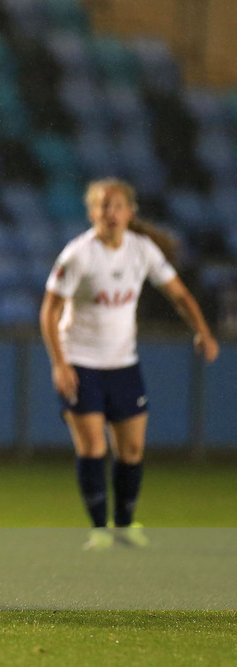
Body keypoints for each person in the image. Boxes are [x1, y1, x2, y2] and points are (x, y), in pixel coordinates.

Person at [40, 178, 219, 550]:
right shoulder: (78, 255)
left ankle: (124, 526)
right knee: (93, 448)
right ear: (92, 213)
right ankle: (99, 530)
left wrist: (202, 330)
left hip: (123, 365)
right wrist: (59, 363)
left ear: (130, 212)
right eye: (103, 206)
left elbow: (180, 294)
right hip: (81, 363)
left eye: (118, 205)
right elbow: (50, 311)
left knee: (132, 450)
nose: (111, 212)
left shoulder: (142, 250)